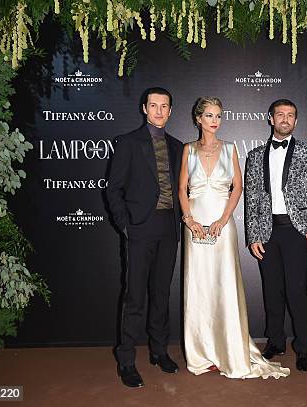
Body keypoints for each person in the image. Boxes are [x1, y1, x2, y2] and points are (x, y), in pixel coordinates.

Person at [179, 97, 289, 379]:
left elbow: (237, 188)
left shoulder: (230, 150)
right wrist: (190, 221)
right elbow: (182, 190)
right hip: (195, 227)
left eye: (218, 115)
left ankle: (229, 349)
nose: (215, 120)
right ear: (198, 119)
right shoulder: (188, 150)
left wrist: (222, 220)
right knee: (199, 287)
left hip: (221, 225)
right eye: (209, 115)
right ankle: (202, 353)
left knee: (224, 284)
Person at [106, 87, 183, 387]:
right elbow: (113, 189)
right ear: (144, 108)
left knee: (161, 295)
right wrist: (125, 225)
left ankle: (159, 351)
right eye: (154, 105)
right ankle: (126, 361)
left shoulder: (178, 146)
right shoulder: (128, 143)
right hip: (139, 227)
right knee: (135, 296)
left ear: (171, 110)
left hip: (168, 228)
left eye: (165, 106)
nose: (159, 111)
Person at [244, 99, 307, 372]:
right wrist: (253, 235)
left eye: (291, 115)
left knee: (296, 292)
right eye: (280, 115)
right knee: (272, 290)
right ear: (270, 118)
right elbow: (252, 199)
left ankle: (303, 347)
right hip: (267, 232)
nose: (285, 119)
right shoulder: (254, 156)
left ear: (296, 121)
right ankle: (275, 341)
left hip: (296, 232)